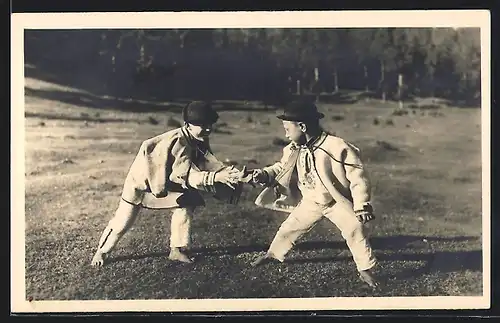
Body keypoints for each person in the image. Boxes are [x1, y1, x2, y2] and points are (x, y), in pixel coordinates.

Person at [91, 101, 245, 267]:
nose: (207, 128)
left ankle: (177, 249)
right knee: (123, 222)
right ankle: (102, 251)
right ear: (187, 124)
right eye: (201, 124)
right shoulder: (179, 143)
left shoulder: (197, 138)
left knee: (186, 204)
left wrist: (231, 174)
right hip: (141, 185)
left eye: (209, 124)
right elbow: (188, 177)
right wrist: (215, 178)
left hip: (166, 182)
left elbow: (208, 162)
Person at [248, 100, 380, 288]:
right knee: (289, 228)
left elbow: (358, 176)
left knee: (355, 228)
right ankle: (273, 254)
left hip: (336, 202)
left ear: (302, 126)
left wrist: (362, 205)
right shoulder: (294, 148)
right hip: (311, 201)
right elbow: (281, 167)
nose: (285, 133)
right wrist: (264, 174)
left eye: (287, 128)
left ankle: (365, 268)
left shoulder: (336, 146)